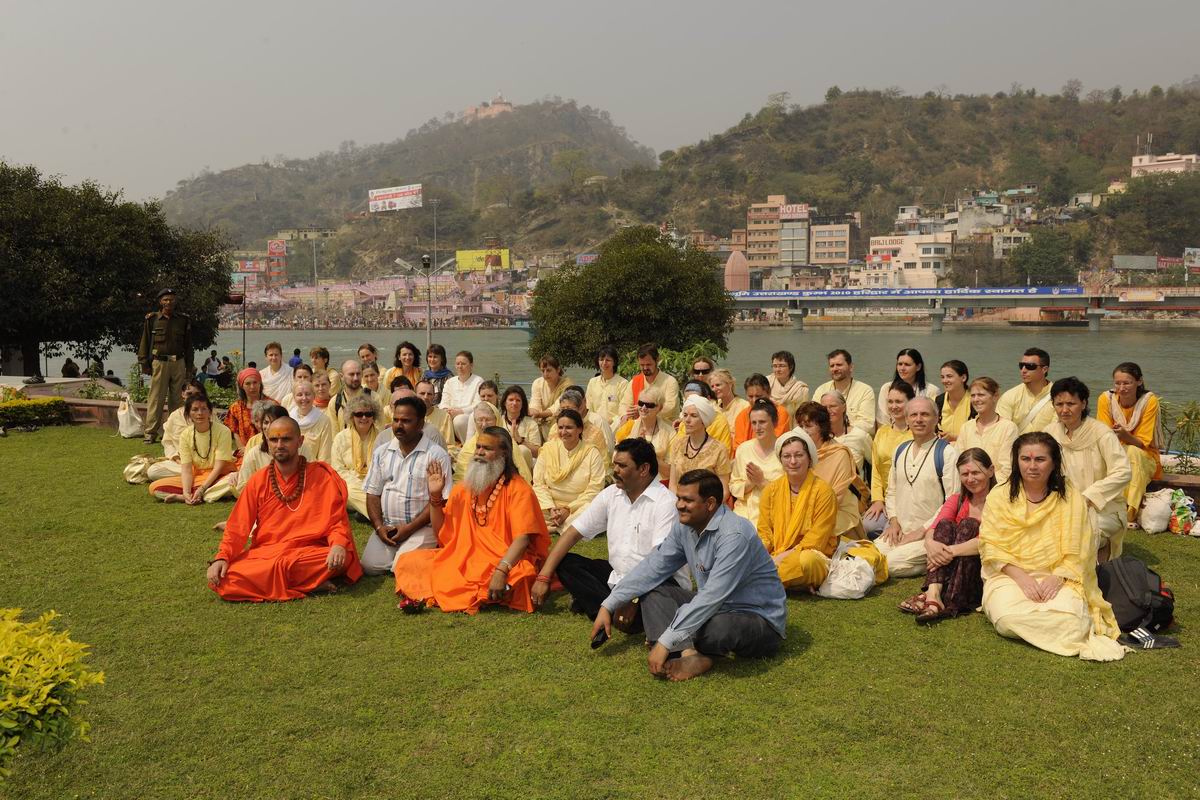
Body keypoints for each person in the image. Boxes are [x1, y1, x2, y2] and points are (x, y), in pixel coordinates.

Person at [592, 469, 787, 681]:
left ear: (710, 503)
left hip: (755, 617)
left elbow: (712, 596)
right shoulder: (684, 526)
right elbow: (652, 567)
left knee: (716, 629)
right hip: (716, 607)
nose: (679, 505)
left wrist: (666, 640)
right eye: (678, 498)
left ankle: (680, 644)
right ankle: (689, 653)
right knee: (654, 589)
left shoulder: (734, 535)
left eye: (687, 500)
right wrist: (608, 604)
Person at [979, 433, 1125, 661]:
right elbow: (990, 546)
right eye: (1025, 459)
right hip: (1009, 575)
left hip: (1062, 575)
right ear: (1017, 461)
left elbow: (1080, 547)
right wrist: (1022, 578)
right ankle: (1058, 629)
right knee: (1005, 621)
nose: (1032, 466)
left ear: (1054, 463)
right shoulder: (999, 496)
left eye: (1040, 459)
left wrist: (1057, 577)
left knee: (1074, 622)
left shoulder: (1070, 497)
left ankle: (1058, 627)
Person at [393, 427, 551, 613]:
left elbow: (523, 538)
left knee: (521, 575)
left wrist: (501, 570)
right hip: (462, 558)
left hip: (502, 560)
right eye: (478, 447)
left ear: (504, 454)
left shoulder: (519, 490)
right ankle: (479, 590)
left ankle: (480, 588)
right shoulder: (463, 489)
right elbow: (443, 535)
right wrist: (435, 497)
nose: (479, 453)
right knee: (407, 561)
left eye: (487, 448)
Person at [206, 416, 363, 602]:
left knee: (342, 558)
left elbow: (336, 520)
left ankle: (284, 581)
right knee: (225, 578)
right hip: (269, 553)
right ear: (267, 442)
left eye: (286, 439)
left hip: (311, 551)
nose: (279, 444)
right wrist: (222, 557)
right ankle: (307, 584)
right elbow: (238, 526)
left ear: (300, 441)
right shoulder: (258, 480)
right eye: (274, 439)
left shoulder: (321, 475)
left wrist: (337, 544)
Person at [531, 438, 686, 620]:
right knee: (566, 563)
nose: (615, 471)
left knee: (653, 598)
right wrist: (543, 577)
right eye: (615, 465)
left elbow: (659, 564)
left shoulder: (665, 502)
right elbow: (572, 534)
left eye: (622, 466)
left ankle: (611, 608)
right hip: (618, 577)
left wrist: (632, 597)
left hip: (657, 582)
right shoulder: (612, 494)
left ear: (643, 469)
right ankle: (612, 609)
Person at [756, 430, 885, 592]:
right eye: (787, 456)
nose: (793, 461)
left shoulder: (823, 491)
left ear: (809, 458)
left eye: (798, 455)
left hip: (811, 553)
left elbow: (816, 540)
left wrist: (778, 559)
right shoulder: (771, 490)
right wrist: (764, 553)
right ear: (780, 460)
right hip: (775, 554)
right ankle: (785, 580)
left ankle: (764, 578)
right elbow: (764, 530)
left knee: (808, 562)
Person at [899, 448, 994, 624]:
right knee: (945, 526)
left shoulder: (1000, 502)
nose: (970, 479)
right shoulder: (957, 499)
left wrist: (948, 551)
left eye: (976, 472)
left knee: (969, 524)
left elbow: (989, 541)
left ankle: (936, 597)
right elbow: (934, 528)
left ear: (991, 470)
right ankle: (934, 595)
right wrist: (930, 544)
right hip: (951, 565)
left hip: (980, 568)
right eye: (965, 474)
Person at [362, 395, 453, 576]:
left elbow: (440, 501)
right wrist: (380, 528)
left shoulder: (436, 455)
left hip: (422, 528)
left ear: (421, 424)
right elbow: (372, 493)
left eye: (406, 421)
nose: (398, 425)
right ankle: (407, 555)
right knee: (369, 566)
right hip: (389, 527)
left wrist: (408, 529)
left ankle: (424, 552)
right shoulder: (382, 452)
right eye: (395, 420)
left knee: (400, 567)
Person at [1045, 377, 1131, 562]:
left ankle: (1082, 578)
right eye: (1059, 404)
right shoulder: (1050, 433)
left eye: (1071, 403)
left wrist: (1089, 497)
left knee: (1080, 536)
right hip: (1061, 505)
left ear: (1083, 404)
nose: (1064, 410)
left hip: (1103, 508)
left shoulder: (1101, 433)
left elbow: (1123, 472)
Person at [878, 396, 960, 577]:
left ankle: (935, 558)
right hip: (899, 530)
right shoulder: (900, 450)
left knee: (891, 563)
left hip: (931, 534)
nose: (919, 419)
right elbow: (891, 490)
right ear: (906, 419)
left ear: (936, 418)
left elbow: (953, 500)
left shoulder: (947, 453)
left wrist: (922, 530)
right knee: (871, 554)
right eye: (913, 415)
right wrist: (893, 521)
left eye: (925, 414)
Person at [1097, 362, 1163, 522]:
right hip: (1113, 452)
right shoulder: (1106, 399)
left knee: (1132, 453)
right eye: (1118, 383)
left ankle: (1128, 511)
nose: (1121, 388)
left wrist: (1124, 436)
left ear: (1139, 381)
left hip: (1144, 456)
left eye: (1127, 383)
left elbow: (1142, 443)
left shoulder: (1149, 401)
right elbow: (1103, 435)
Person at [795, 401, 868, 538]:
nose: (803, 431)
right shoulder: (800, 452)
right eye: (801, 426)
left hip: (837, 512)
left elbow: (835, 497)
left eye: (809, 426)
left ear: (822, 427)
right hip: (805, 510)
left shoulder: (839, 454)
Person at [148, 394, 235, 503]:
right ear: (188, 414)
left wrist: (202, 488)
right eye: (195, 409)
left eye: (204, 409)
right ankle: (194, 495)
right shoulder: (185, 434)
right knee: (154, 487)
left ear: (210, 412)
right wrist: (186, 491)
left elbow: (219, 467)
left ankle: (197, 494)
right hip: (197, 475)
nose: (200, 413)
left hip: (219, 475)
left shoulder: (223, 431)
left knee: (232, 482)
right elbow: (187, 469)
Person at [533, 410, 606, 533]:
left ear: (580, 429)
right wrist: (551, 508)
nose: (563, 432)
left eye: (569, 428)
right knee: (525, 506)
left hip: (578, 507)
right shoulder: (548, 449)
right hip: (548, 506)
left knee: (591, 510)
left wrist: (568, 509)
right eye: (560, 427)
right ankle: (563, 527)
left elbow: (595, 489)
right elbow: (538, 483)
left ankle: (551, 527)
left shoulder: (592, 453)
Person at [137, 287, 193, 445]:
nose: (169, 302)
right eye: (165, 299)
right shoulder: (152, 319)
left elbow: (188, 345)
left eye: (171, 299)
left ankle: (173, 432)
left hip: (179, 362)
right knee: (156, 398)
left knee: (177, 400)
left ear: (175, 301)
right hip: (159, 362)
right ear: (160, 301)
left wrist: (189, 367)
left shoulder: (183, 320)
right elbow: (145, 342)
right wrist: (144, 363)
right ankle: (150, 433)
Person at [231, 403, 316, 496]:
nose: (269, 427)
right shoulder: (254, 453)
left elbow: (313, 477)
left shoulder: (302, 448)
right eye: (266, 422)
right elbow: (243, 487)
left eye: (274, 422)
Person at [865, 381, 915, 536]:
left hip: (910, 500)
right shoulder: (882, 432)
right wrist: (877, 499)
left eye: (899, 401)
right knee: (868, 525)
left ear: (910, 403)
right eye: (890, 402)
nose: (894, 406)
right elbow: (876, 471)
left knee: (893, 534)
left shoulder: (917, 434)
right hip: (886, 498)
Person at [331, 395, 386, 518]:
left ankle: (366, 512)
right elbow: (338, 470)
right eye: (359, 414)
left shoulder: (382, 437)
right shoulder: (341, 438)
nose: (364, 417)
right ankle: (379, 516)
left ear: (374, 416)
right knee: (349, 492)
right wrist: (359, 484)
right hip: (351, 485)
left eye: (368, 414)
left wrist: (372, 484)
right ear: (352, 416)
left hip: (376, 483)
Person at [955, 377, 1018, 484]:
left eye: (981, 395)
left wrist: (984, 487)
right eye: (973, 396)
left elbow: (1007, 469)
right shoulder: (966, 427)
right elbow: (958, 462)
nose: (976, 399)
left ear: (995, 396)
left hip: (996, 490)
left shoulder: (1008, 428)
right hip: (969, 486)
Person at [730, 400, 783, 526]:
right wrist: (750, 483)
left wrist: (762, 482)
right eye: (754, 423)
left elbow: (790, 494)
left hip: (774, 514)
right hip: (743, 514)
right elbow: (733, 485)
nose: (757, 428)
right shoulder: (743, 449)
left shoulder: (785, 451)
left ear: (774, 423)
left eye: (762, 422)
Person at [669, 396, 732, 500]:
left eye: (694, 416)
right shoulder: (677, 444)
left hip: (706, 509)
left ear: (704, 420)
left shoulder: (719, 449)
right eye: (685, 415)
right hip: (678, 504)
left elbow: (724, 491)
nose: (687, 420)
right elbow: (672, 485)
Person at [456, 401, 534, 483]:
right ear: (475, 422)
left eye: (488, 420)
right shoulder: (468, 448)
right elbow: (459, 480)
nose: (484, 424)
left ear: (497, 420)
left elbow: (521, 477)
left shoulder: (508, 444)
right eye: (480, 420)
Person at [146, 380, 208, 482]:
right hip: (181, 463)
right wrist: (177, 459)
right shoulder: (175, 416)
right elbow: (167, 442)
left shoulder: (208, 414)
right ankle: (202, 477)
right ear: (183, 394)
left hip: (207, 460)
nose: (193, 397)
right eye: (189, 394)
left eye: (197, 394)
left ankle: (196, 477)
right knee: (153, 471)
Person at [615, 385, 673, 481]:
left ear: (660, 408)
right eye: (641, 403)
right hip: (630, 481)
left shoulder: (670, 433)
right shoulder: (627, 428)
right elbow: (616, 460)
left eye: (650, 405)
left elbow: (670, 472)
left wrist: (649, 453)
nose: (643, 408)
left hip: (659, 484)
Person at [548, 386, 616, 468]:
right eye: (563, 409)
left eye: (569, 409)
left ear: (580, 408)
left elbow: (604, 460)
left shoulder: (595, 431)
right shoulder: (555, 429)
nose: (566, 412)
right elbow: (549, 455)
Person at [812, 349, 876, 435]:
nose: (835, 369)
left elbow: (867, 425)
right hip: (827, 436)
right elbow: (813, 418)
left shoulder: (865, 390)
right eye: (832, 366)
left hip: (853, 438)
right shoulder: (821, 390)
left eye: (839, 365)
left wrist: (841, 431)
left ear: (851, 367)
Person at [615, 343, 680, 426]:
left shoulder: (670, 381)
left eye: (648, 364)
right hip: (639, 427)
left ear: (657, 360)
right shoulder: (635, 381)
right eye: (642, 365)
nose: (645, 368)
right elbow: (624, 404)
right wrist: (625, 415)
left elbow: (670, 407)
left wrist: (643, 412)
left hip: (666, 428)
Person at [875, 348, 938, 428]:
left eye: (907, 365)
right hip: (891, 433)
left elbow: (933, 420)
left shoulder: (931, 391)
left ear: (918, 367)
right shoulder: (887, 388)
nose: (902, 368)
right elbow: (882, 420)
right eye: (900, 364)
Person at [997, 347, 1055, 434]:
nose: (1023, 370)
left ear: (1044, 369)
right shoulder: (1009, 396)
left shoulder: (1059, 397)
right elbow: (1002, 431)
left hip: (1050, 445)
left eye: (1030, 366)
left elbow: (1059, 431)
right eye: (1021, 366)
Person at [820, 390, 873, 478]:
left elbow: (875, 466)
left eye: (833, 406)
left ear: (844, 407)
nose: (828, 411)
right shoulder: (817, 437)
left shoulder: (860, 436)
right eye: (824, 407)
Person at [671, 381, 732, 456]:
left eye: (696, 401)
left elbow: (725, 453)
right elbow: (677, 451)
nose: (690, 405)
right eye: (688, 401)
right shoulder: (685, 421)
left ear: (708, 399)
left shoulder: (719, 421)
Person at [732, 373, 790, 448]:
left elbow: (775, 441)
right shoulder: (742, 416)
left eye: (758, 396)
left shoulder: (780, 413)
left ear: (769, 393)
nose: (754, 400)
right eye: (750, 396)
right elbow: (738, 446)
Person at [441, 350, 484, 443]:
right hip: (450, 414)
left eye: (463, 364)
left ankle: (467, 446)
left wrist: (461, 411)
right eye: (457, 364)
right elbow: (444, 402)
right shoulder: (450, 382)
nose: (460, 367)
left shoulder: (478, 381)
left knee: (459, 420)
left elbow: (478, 405)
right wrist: (447, 410)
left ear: (471, 365)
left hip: (468, 416)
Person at [289, 380, 334, 463]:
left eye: (307, 394)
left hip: (314, 470)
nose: (304, 398)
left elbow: (325, 456)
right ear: (294, 398)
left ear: (314, 396)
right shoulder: (288, 419)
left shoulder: (324, 420)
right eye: (299, 395)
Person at [328, 359, 379, 431]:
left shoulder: (373, 397)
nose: (355, 378)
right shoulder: (335, 402)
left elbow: (379, 429)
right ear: (341, 376)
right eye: (351, 374)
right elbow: (334, 434)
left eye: (358, 374)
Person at [585, 345, 628, 426]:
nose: (604, 363)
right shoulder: (592, 382)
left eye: (608, 360)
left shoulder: (623, 383)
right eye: (601, 360)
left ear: (614, 362)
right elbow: (588, 408)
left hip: (615, 427)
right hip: (595, 427)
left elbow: (623, 411)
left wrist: (609, 423)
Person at [529, 355, 570, 437]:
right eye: (542, 371)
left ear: (558, 370)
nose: (545, 374)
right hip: (540, 420)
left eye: (548, 370)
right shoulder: (537, 383)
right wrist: (533, 412)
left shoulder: (567, 385)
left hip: (558, 422)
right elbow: (535, 404)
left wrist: (539, 414)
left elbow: (556, 407)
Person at [500, 385, 542, 462]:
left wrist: (520, 440)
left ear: (523, 404)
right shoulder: (498, 421)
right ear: (504, 403)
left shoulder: (531, 423)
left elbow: (537, 453)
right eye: (511, 400)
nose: (514, 403)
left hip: (524, 463)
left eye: (518, 400)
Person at [936, 360, 974, 440]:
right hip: (944, 449)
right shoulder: (939, 401)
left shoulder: (974, 400)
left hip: (969, 449)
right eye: (942, 377)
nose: (944, 381)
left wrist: (955, 438)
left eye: (949, 376)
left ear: (963, 378)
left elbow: (981, 434)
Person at [768, 350, 808, 418]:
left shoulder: (801, 389)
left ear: (791, 367)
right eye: (775, 366)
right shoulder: (765, 383)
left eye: (781, 366)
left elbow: (801, 416)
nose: (777, 369)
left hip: (791, 426)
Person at [710, 369, 749, 435]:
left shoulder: (744, 406)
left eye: (718, 385)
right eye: (712, 386)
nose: (715, 389)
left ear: (730, 384)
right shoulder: (712, 407)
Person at [416, 379, 455, 446]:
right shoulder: (407, 415)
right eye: (422, 393)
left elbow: (450, 446)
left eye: (429, 394)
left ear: (434, 396)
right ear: (415, 395)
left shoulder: (444, 416)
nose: (426, 397)